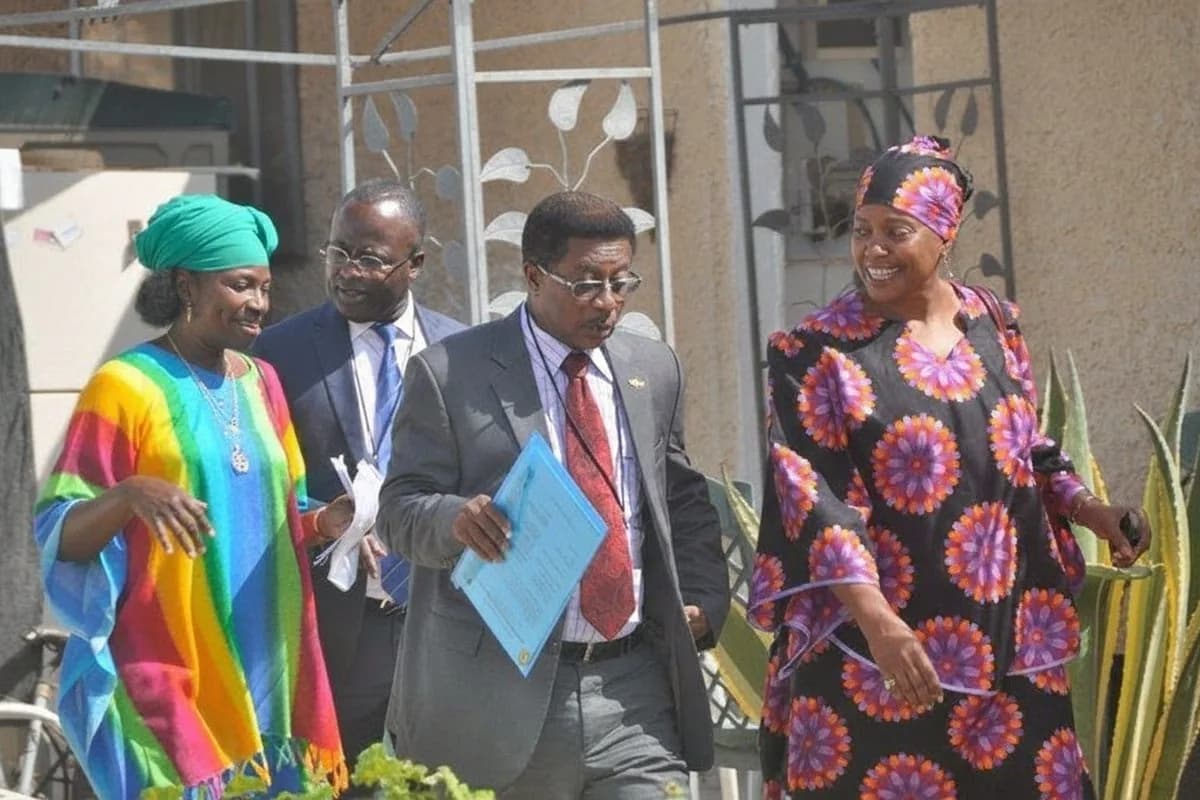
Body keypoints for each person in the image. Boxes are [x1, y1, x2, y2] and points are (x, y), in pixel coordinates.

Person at [748, 136, 1150, 799]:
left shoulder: (993, 323)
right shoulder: (814, 352)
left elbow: (1027, 446)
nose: (873, 248)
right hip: (878, 662)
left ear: (943, 236)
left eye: (895, 231)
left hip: (1014, 647)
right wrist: (879, 624)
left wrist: (1090, 510)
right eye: (862, 229)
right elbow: (813, 498)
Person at [376, 191, 731, 798]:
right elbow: (400, 509)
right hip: (500, 698)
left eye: (623, 283)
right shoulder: (449, 372)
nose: (609, 303)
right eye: (588, 283)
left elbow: (680, 497)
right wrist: (457, 520)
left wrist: (702, 596)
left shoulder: (655, 368)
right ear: (535, 276)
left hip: (634, 695)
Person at [34, 194, 352, 800]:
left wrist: (328, 522)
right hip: (165, 667)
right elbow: (60, 531)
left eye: (264, 287)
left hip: (267, 665)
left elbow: (286, 512)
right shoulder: (123, 385)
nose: (259, 304)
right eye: (240, 285)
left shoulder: (265, 384)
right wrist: (131, 493)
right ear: (186, 284)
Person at [253, 179, 464, 765]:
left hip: (445, 621)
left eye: (369, 258)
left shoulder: (463, 353)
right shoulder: (276, 354)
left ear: (415, 263)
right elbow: (262, 488)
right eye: (337, 252)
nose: (346, 271)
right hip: (339, 631)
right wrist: (331, 523)